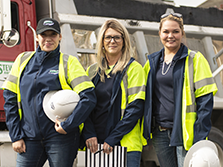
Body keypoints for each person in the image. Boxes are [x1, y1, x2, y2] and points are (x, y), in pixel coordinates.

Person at [2, 18, 96, 167]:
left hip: (61, 138)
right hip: (29, 137)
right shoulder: (22, 60)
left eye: (53, 34)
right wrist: (16, 136)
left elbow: (88, 97)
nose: (48, 39)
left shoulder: (69, 62)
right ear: (37, 37)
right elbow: (10, 98)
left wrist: (69, 125)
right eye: (43, 35)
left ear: (60, 37)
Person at [143, 13, 218, 167]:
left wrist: (199, 136)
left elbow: (205, 102)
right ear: (159, 34)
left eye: (175, 31)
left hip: (186, 134)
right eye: (166, 32)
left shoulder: (195, 59)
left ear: (182, 33)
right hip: (160, 132)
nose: (170, 36)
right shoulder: (151, 62)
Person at [82, 19, 146, 167]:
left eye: (117, 37)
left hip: (125, 145)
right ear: (102, 41)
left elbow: (136, 108)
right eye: (108, 37)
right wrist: (89, 133)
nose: (113, 41)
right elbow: (84, 107)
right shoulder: (92, 71)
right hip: (96, 146)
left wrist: (112, 138)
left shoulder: (134, 69)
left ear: (124, 41)